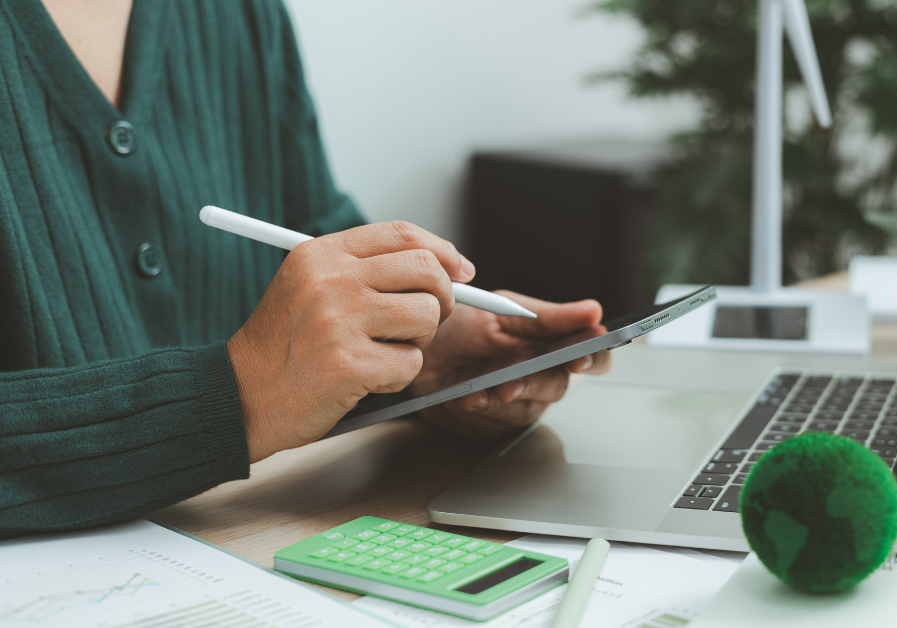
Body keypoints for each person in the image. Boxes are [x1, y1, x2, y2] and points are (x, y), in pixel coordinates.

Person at [0, 0, 610, 539]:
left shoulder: (241, 11)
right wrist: (237, 396)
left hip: (257, 532)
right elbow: (261, 379)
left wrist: (414, 355)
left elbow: (316, 233)